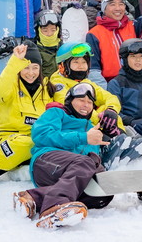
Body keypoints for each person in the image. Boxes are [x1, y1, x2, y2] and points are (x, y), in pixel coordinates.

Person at [12, 85, 116, 228]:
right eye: (81, 100)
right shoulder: (56, 113)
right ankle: (54, 206)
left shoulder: (92, 128)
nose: (86, 105)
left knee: (101, 193)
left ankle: (33, 198)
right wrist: (83, 137)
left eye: (90, 102)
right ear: (69, 100)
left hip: (71, 175)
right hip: (46, 161)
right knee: (85, 162)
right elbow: (42, 135)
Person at [0, 42, 54, 177]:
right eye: (26, 68)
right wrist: (15, 61)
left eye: (35, 68)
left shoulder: (48, 89)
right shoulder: (11, 86)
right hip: (7, 139)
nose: (31, 73)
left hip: (36, 140)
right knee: (26, 143)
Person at [86, 0, 142, 83]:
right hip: (110, 85)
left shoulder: (133, 26)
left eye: (121, 4)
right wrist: (108, 95)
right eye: (112, 4)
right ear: (104, 8)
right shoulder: (94, 34)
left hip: (136, 83)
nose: (118, 8)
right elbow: (94, 71)